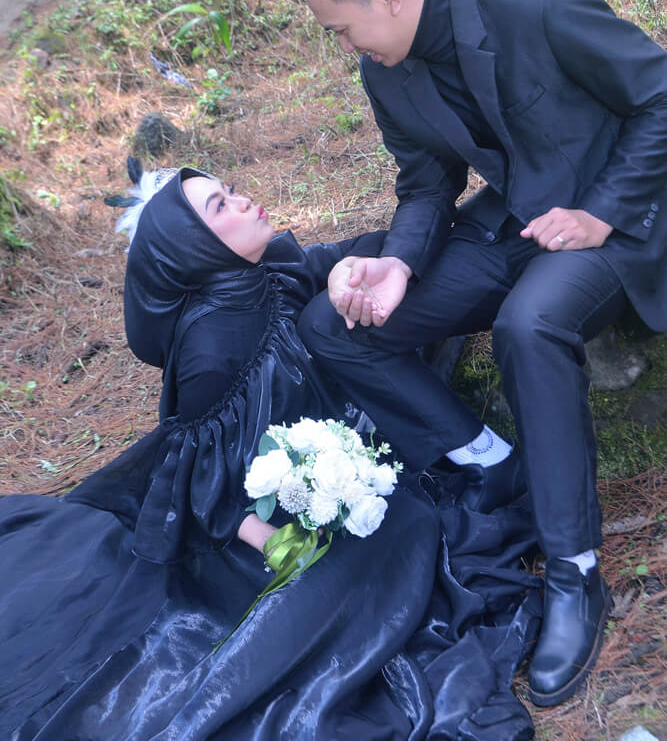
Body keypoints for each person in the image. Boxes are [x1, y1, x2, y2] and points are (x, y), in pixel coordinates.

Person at [0, 165, 541, 741]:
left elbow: (335, 260)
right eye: (220, 206)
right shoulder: (211, 350)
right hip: (259, 515)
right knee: (388, 543)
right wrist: (279, 544)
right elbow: (197, 481)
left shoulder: (264, 272)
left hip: (334, 453)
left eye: (230, 190)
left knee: (403, 519)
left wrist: (351, 268)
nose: (242, 201)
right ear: (195, 246)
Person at [289, 0, 667, 708]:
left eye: (340, 28)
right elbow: (426, 183)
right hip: (514, 223)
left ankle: (574, 572)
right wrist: (397, 264)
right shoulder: (385, 69)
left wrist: (600, 212)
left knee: (528, 324)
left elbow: (659, 97)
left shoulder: (541, 6)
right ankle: (493, 462)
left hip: (616, 221)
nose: (344, 46)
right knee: (335, 322)